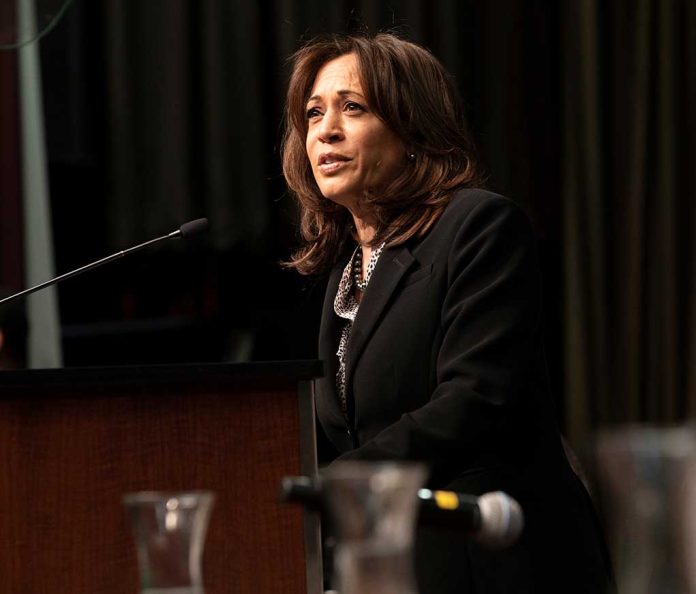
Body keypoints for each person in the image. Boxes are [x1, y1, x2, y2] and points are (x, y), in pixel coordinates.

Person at [281, 32, 613, 593]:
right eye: (314, 113)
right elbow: (348, 427)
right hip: (399, 562)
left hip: (494, 558)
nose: (326, 130)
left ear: (413, 129)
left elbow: (473, 400)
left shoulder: (479, 227)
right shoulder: (346, 268)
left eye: (352, 108)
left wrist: (331, 485)